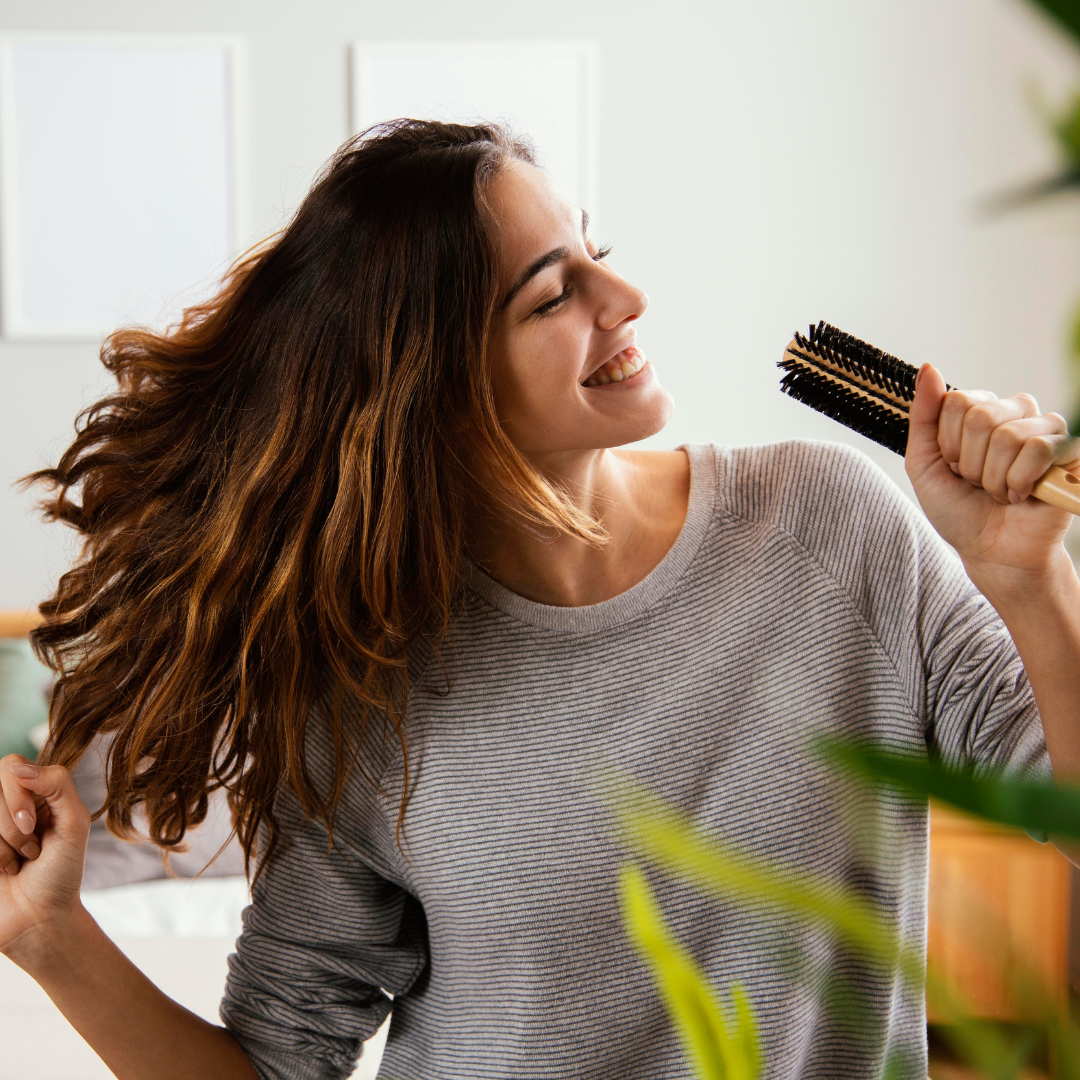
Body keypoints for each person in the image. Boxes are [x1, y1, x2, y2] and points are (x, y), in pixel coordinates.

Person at [1, 119, 1079, 1080]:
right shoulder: (366, 694)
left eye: (595, 254)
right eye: (553, 293)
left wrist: (1031, 579)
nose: (627, 300)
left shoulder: (831, 528)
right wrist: (54, 939)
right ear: (432, 387)